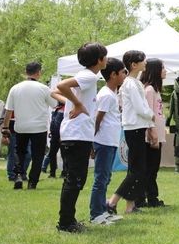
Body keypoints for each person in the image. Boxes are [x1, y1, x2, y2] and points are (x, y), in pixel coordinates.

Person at [55, 43, 108, 233]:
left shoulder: (87, 76)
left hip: (76, 134)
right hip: (76, 135)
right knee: (75, 179)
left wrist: (74, 102)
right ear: (99, 60)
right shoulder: (88, 76)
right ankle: (66, 223)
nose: (107, 60)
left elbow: (59, 90)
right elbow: (60, 86)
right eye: (105, 56)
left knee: (73, 179)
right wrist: (77, 103)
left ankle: (67, 220)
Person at [107, 50, 154, 215]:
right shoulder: (130, 84)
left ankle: (130, 206)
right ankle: (112, 201)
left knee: (135, 169)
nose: (145, 63)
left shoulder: (135, 82)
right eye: (143, 60)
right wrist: (152, 116)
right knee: (137, 170)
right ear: (134, 64)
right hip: (133, 128)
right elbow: (140, 108)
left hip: (137, 127)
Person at [1, 62, 58, 190]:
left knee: (19, 152)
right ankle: (32, 182)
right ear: (38, 73)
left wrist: (5, 129)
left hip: (21, 126)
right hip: (39, 128)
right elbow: (54, 104)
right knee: (37, 156)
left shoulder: (15, 88)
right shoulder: (44, 88)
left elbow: (8, 111)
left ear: (26, 72)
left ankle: (18, 176)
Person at [89, 58, 126, 225]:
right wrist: (92, 142)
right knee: (101, 178)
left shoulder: (112, 94)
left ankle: (103, 211)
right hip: (102, 142)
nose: (125, 75)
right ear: (113, 74)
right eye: (123, 72)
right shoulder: (105, 95)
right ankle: (96, 214)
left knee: (106, 177)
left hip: (110, 142)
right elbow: (97, 120)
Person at [136, 58, 167, 208]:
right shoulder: (149, 90)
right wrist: (152, 133)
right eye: (162, 68)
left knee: (152, 168)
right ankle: (149, 199)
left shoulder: (155, 89)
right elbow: (147, 113)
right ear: (155, 71)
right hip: (151, 136)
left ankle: (150, 198)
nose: (165, 71)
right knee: (150, 169)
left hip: (157, 134)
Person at [42, 99, 66, 178]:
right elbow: (53, 122)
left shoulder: (66, 109)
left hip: (62, 136)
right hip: (54, 135)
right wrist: (50, 132)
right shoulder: (56, 109)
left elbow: (63, 124)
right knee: (52, 154)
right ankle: (52, 173)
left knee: (64, 155)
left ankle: (64, 173)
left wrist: (62, 135)